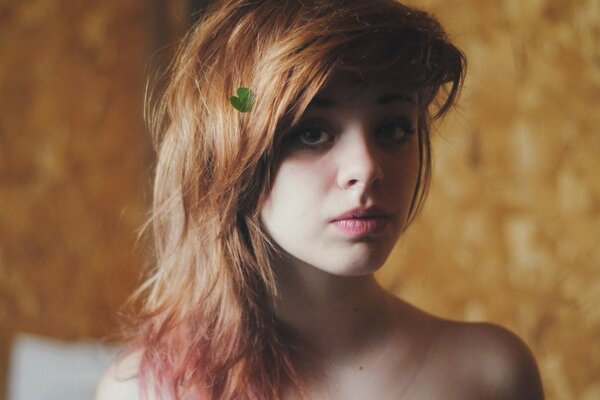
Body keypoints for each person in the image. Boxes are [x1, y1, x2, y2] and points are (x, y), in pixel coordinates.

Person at [96, 0, 545, 399]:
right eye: (311, 133)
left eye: (392, 128)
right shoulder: (144, 390)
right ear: (230, 158)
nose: (367, 168)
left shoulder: (492, 374)